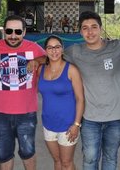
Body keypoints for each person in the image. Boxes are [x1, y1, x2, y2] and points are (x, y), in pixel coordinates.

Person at [63, 11, 120, 170]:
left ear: (101, 29)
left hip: (116, 117)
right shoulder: (75, 51)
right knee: (90, 158)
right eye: (85, 28)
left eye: (94, 27)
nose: (90, 32)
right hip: (90, 118)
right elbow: (53, 55)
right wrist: (35, 61)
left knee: (110, 157)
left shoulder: (119, 47)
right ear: (80, 32)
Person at [0, 15, 46, 170]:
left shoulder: (33, 48)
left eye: (18, 31)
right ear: (4, 31)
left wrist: (37, 61)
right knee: (4, 155)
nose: (13, 35)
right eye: (9, 31)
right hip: (0, 113)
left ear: (24, 32)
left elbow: (49, 58)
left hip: (27, 113)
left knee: (28, 153)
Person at [37, 35, 84, 170]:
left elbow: (80, 99)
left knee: (66, 163)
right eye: (50, 47)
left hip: (68, 126)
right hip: (48, 124)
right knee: (57, 160)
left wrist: (76, 124)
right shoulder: (41, 70)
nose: (54, 51)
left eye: (57, 47)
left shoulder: (71, 70)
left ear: (62, 49)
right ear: (45, 50)